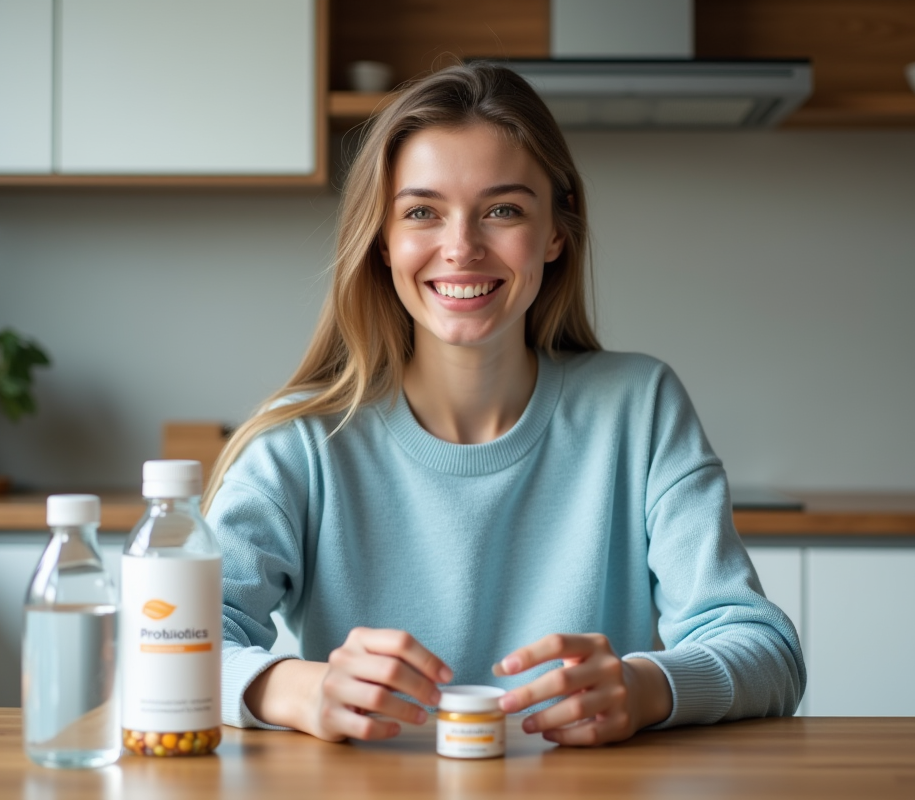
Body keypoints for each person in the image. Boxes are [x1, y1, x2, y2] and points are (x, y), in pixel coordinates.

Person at [204, 62, 805, 747]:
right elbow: (160, 645)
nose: (461, 247)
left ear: (554, 232)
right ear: (383, 239)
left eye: (503, 210)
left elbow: (768, 652)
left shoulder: (639, 408)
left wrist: (644, 688)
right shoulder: (304, 443)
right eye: (422, 212)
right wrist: (302, 689)